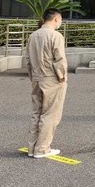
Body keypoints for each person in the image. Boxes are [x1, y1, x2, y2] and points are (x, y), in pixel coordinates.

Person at [26, 8, 68, 158]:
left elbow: (28, 59)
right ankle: (42, 149)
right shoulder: (56, 36)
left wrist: (32, 76)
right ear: (56, 19)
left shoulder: (33, 35)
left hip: (36, 78)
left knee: (37, 113)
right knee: (50, 114)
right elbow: (60, 59)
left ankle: (32, 148)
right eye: (60, 20)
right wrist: (62, 77)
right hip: (51, 78)